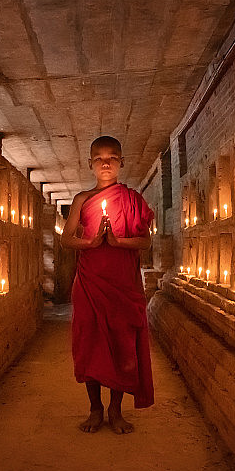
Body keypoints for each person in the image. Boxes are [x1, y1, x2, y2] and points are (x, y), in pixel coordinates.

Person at [61, 136, 155, 434]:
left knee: (121, 344)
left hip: (122, 284)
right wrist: (90, 241)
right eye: (99, 158)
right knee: (89, 343)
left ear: (121, 162)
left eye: (112, 157)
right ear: (90, 163)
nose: (105, 162)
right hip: (90, 283)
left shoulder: (132, 199)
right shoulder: (81, 199)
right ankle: (95, 408)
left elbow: (145, 240)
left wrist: (117, 241)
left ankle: (115, 409)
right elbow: (66, 239)